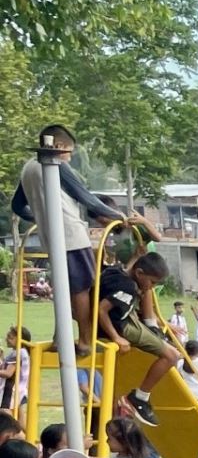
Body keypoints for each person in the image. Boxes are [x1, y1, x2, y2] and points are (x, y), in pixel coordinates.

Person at [12, 124, 141, 343]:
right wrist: (119, 216)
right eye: (69, 152)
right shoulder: (55, 164)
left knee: (65, 287)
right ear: (58, 146)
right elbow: (86, 198)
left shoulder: (28, 168)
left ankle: (59, 337)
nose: (69, 158)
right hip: (72, 234)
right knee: (82, 287)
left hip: (50, 238)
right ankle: (84, 339)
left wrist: (41, 217)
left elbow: (17, 206)